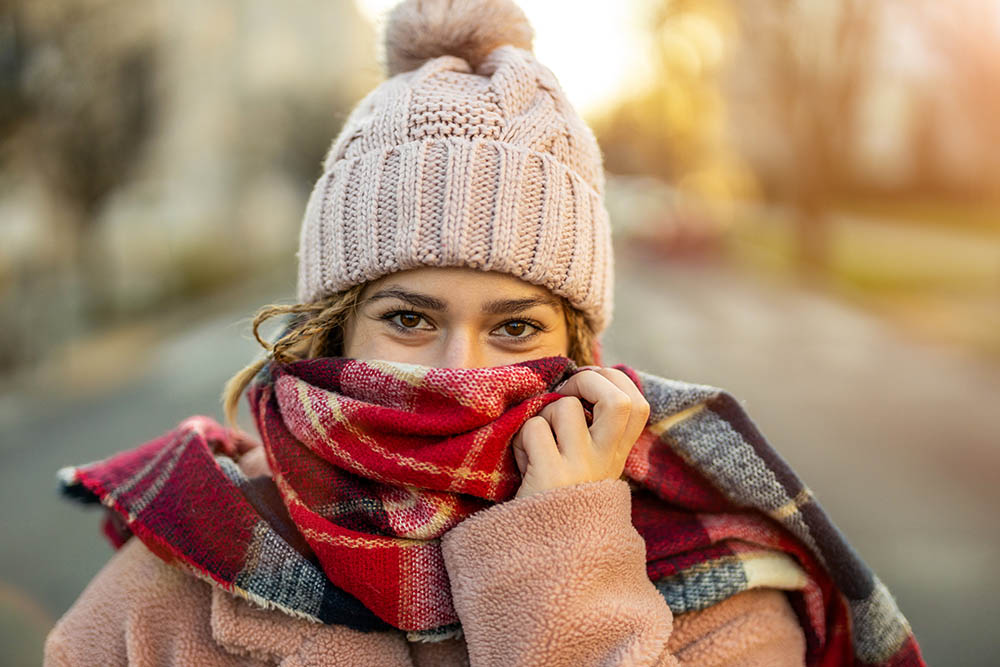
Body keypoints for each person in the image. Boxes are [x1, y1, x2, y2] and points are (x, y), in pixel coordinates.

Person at [45, 1, 925, 665]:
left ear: (578, 350)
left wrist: (562, 561)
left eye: (514, 327)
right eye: (408, 318)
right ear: (334, 329)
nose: (458, 372)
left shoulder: (721, 597)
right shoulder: (171, 585)